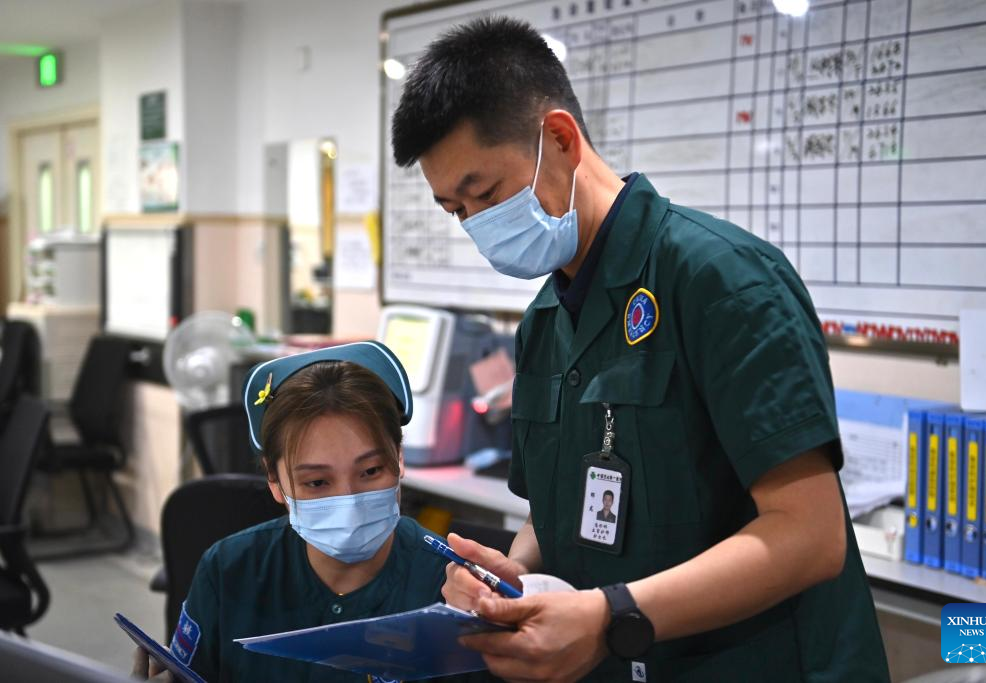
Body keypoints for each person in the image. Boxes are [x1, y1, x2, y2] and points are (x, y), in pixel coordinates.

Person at [391, 16, 890, 683]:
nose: (478, 226)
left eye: (485, 194)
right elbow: (556, 513)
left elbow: (809, 536)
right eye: (456, 210)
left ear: (560, 139)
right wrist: (514, 576)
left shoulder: (721, 281)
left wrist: (611, 615)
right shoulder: (544, 322)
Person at [133, 342, 491, 682]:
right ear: (275, 480)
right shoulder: (229, 570)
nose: (349, 500)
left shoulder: (452, 589)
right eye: (317, 482)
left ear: (398, 459)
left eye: (370, 471)